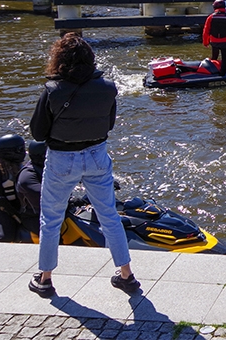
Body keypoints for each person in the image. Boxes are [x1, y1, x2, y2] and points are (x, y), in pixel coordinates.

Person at [28, 33, 139, 297]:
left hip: (62, 158)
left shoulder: (53, 90)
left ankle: (45, 279)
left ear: (59, 60)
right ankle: (127, 275)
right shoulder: (108, 87)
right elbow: (109, 124)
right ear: (90, 59)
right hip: (97, 155)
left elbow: (37, 133)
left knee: (51, 219)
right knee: (110, 216)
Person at [0, 134, 27, 242]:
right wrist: (16, 215)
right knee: (6, 235)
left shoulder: (21, 166)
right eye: (20, 149)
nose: (24, 152)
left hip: (15, 206)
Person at [16, 140, 46, 238]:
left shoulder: (50, 168)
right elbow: (44, 196)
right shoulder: (28, 176)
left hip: (57, 211)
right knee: (52, 234)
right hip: (34, 217)